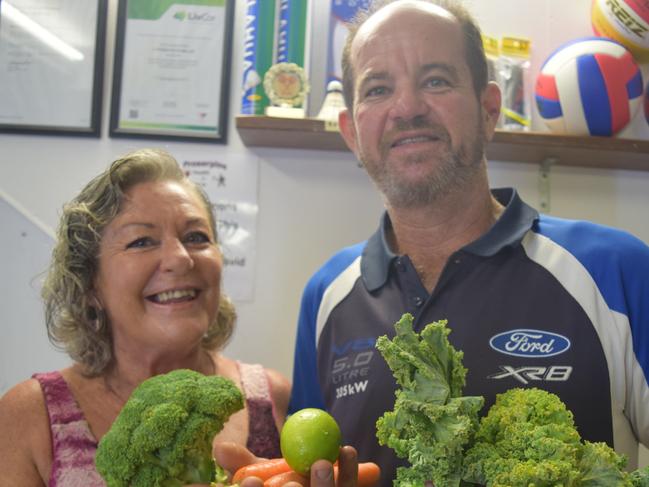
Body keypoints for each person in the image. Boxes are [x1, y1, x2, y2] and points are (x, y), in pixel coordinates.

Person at [288, 1, 649, 485]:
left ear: (489, 109)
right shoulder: (325, 294)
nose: (408, 107)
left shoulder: (616, 272)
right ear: (352, 133)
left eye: (436, 80)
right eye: (378, 89)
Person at [0, 148, 291, 486]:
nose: (180, 258)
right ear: (90, 284)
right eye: (141, 241)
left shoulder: (271, 396)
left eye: (196, 237)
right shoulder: (30, 414)